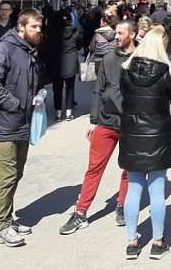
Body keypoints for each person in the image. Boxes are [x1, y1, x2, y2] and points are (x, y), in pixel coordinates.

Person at [60, 20, 137, 235]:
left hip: (131, 123)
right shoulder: (109, 58)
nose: (116, 36)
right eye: (116, 33)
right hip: (106, 121)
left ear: (132, 34)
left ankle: (122, 206)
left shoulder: (141, 58)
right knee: (94, 168)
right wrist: (93, 121)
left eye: (120, 33)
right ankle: (81, 212)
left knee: (129, 169)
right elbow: (98, 90)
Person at [0, 9, 44, 247]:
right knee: (5, 177)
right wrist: (16, 104)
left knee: (16, 174)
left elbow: (28, 84)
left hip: (22, 124)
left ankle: (8, 217)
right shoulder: (2, 50)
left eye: (40, 27)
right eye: (34, 27)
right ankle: (2, 226)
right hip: (3, 125)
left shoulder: (29, 52)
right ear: (21, 27)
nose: (39, 31)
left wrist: (36, 98)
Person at [118, 26, 171, 260]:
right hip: (158, 134)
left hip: (133, 133)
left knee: (134, 189)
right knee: (157, 190)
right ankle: (157, 241)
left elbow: (124, 95)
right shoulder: (165, 72)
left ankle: (132, 241)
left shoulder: (126, 70)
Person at [53, 13, 81, 121]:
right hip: (71, 62)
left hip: (57, 63)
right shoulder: (75, 32)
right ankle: (69, 112)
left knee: (57, 89)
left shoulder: (54, 32)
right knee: (70, 88)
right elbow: (80, 45)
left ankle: (58, 113)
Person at [89, 10, 118, 77]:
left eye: (101, 22)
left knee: (100, 80)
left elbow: (92, 48)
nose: (99, 23)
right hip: (112, 60)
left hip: (99, 61)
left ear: (105, 23)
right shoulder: (115, 33)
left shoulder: (97, 34)